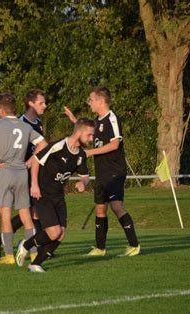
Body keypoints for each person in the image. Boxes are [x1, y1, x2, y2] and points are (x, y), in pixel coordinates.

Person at [64, 87, 140, 257]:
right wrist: (74, 121)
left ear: (100, 101)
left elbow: (115, 144)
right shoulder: (97, 121)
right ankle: (100, 248)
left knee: (116, 206)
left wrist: (90, 153)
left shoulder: (112, 118)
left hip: (114, 170)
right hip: (102, 172)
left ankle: (134, 245)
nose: (89, 103)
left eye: (91, 100)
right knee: (100, 208)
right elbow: (88, 134)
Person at [15, 118, 94, 272]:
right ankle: (25, 245)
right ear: (79, 132)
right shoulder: (57, 146)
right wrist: (34, 185)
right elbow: (36, 161)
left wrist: (83, 183)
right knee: (54, 232)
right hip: (43, 194)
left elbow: (85, 175)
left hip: (58, 196)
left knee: (61, 234)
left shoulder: (80, 155)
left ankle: (35, 264)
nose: (91, 139)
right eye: (89, 135)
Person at [0, 93, 46, 265]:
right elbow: (44, 145)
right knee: (26, 216)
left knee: (5, 215)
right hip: (22, 172)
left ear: (0, 109)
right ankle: (32, 253)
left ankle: (9, 256)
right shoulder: (25, 126)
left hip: (4, 171)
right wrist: (30, 161)